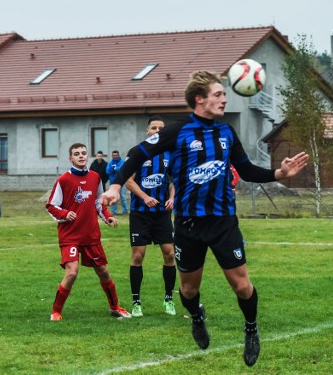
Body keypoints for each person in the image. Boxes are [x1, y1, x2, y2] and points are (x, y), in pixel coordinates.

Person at [101, 70, 309, 367]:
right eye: (218, 94)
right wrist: (116, 186)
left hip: (223, 222)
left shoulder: (226, 133)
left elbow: (247, 170)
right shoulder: (177, 130)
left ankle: (251, 329)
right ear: (199, 99)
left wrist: (279, 173)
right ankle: (197, 317)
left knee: (242, 286)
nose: (224, 99)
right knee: (187, 291)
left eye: (224, 94)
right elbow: (137, 154)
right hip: (187, 225)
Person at [46, 143, 131, 321]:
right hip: (70, 236)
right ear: (71, 158)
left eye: (84, 153)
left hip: (91, 235)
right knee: (72, 273)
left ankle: (115, 307)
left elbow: (98, 202)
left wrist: (106, 216)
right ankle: (56, 311)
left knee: (104, 272)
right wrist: (64, 213)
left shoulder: (95, 177)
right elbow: (51, 205)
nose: (81, 156)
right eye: (76, 154)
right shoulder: (63, 180)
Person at [124, 116, 177, 317]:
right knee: (138, 255)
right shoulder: (137, 152)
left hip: (162, 213)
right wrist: (145, 197)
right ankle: (136, 302)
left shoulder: (170, 154)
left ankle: (168, 299)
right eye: (153, 128)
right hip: (140, 213)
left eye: (160, 128)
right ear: (147, 131)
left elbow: (173, 181)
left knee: (170, 254)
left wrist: (172, 198)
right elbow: (128, 181)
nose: (157, 131)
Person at [106, 150, 129, 215]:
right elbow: (107, 171)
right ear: (112, 156)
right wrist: (115, 169)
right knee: (113, 198)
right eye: (113, 155)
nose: (115, 156)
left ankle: (125, 211)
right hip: (113, 183)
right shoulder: (110, 163)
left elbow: (121, 169)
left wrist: (114, 169)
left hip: (121, 182)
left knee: (123, 197)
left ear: (118, 155)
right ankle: (114, 212)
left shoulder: (122, 162)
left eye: (116, 155)